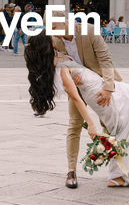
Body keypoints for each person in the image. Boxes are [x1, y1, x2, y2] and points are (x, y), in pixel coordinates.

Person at [26, 33, 129, 190]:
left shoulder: (56, 54)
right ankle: (114, 175)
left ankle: (122, 172)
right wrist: (91, 124)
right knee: (125, 121)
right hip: (96, 93)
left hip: (100, 86)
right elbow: (76, 99)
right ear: (47, 45)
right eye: (49, 36)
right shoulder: (60, 65)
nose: (53, 35)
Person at [47, 22, 121, 189]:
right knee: (74, 125)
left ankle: (116, 172)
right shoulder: (55, 40)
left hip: (100, 83)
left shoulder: (89, 31)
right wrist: (71, 76)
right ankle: (71, 171)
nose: (52, 32)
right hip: (78, 86)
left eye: (54, 27)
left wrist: (108, 87)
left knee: (110, 124)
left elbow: (105, 59)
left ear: (65, 22)